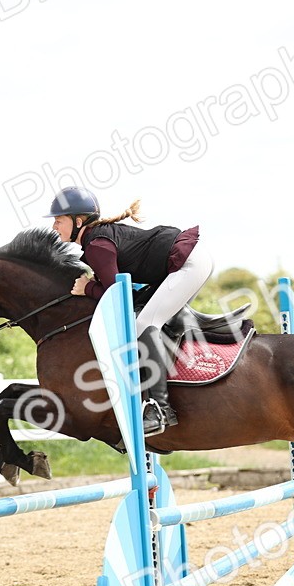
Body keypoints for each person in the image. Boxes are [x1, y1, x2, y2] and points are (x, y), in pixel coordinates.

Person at [46, 186, 212, 436]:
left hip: (187, 264)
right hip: (187, 262)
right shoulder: (97, 240)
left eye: (59, 221)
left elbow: (118, 296)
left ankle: (160, 409)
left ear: (78, 221)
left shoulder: (97, 245)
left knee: (144, 326)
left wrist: (87, 288)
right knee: (147, 316)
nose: (54, 227)